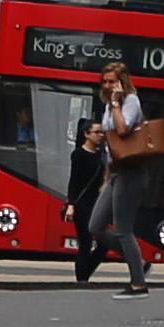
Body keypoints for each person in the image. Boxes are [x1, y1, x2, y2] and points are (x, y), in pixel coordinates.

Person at [81, 61, 151, 297]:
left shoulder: (130, 102)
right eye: (105, 81)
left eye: (112, 81)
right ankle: (138, 263)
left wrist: (116, 103)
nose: (108, 85)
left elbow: (122, 131)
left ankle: (138, 283)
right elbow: (111, 145)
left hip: (132, 171)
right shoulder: (108, 106)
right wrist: (106, 178)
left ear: (123, 82)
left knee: (123, 229)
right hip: (116, 172)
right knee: (96, 226)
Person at [64, 120, 109, 283]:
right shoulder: (78, 155)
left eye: (102, 132)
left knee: (104, 243)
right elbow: (74, 182)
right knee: (85, 242)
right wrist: (71, 205)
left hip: (96, 203)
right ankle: (82, 278)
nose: (100, 135)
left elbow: (104, 179)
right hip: (81, 204)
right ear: (86, 134)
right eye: (96, 132)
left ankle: (84, 274)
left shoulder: (101, 156)